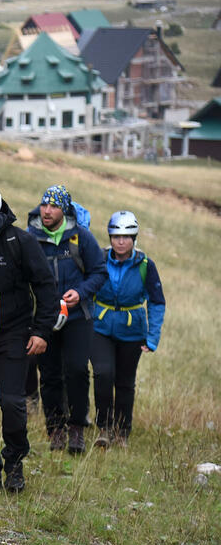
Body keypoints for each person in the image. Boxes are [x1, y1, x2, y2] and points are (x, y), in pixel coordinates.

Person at [0, 180, 58, 493]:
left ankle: (15, 465)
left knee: (13, 402)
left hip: (13, 334)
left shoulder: (21, 242)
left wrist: (42, 330)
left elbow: (45, 286)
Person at [27, 185, 108, 453]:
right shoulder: (31, 237)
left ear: (65, 210)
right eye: (44, 205)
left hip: (77, 316)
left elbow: (99, 271)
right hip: (46, 318)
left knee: (76, 370)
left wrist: (81, 292)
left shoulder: (80, 237)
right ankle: (56, 430)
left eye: (54, 206)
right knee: (49, 375)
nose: (47, 210)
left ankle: (76, 429)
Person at [91, 210, 165, 448]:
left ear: (134, 238)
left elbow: (157, 301)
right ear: (110, 237)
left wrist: (152, 337)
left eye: (126, 236)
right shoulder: (99, 259)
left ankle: (122, 432)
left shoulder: (145, 265)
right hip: (100, 327)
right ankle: (104, 427)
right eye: (116, 236)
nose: (121, 241)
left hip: (132, 332)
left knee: (124, 382)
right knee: (103, 374)